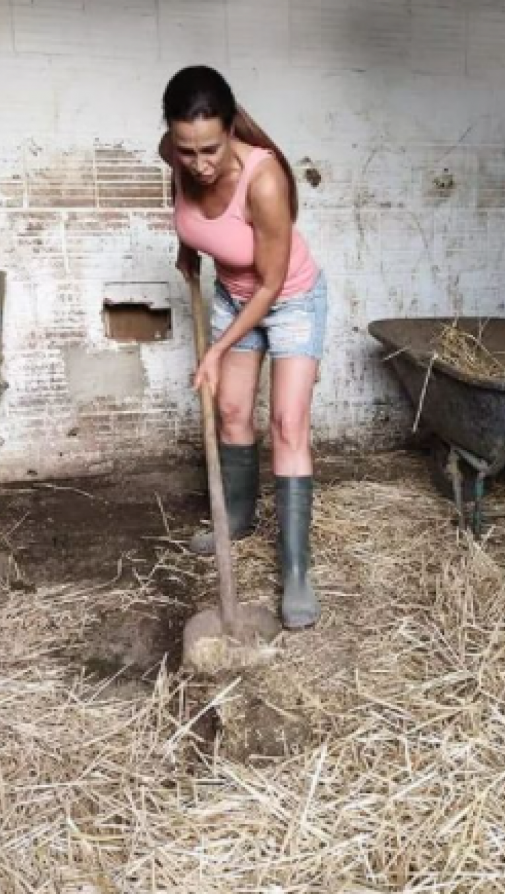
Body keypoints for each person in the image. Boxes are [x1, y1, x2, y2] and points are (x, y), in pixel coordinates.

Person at [159, 66, 327, 631]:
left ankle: (297, 570)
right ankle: (237, 518)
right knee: (232, 413)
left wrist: (215, 350)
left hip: (290, 301)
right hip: (233, 298)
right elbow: (181, 192)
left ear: (231, 130)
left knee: (286, 424)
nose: (199, 164)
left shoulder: (265, 179)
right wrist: (186, 243)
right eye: (187, 151)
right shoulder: (177, 154)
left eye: (210, 149)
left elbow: (273, 284)